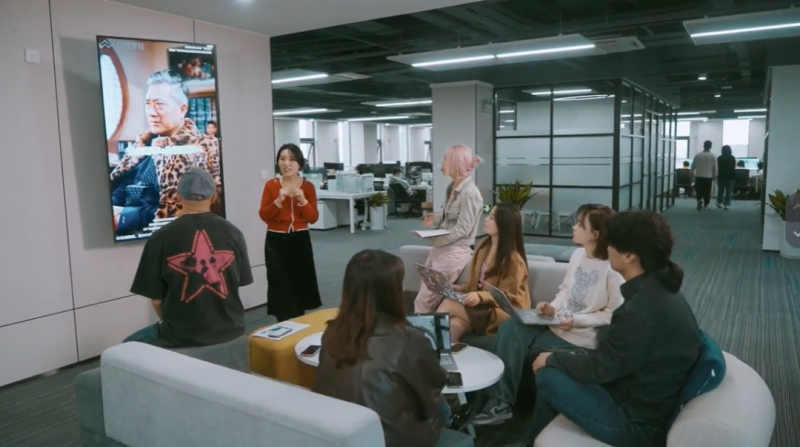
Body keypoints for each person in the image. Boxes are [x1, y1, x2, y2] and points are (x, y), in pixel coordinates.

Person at [528, 210, 702, 447]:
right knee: (560, 368)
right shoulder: (661, 289)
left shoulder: (638, 311)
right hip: (633, 390)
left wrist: (551, 358)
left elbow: (600, 369)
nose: (607, 249)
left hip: (634, 422)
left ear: (629, 255)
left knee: (548, 375)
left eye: (611, 244)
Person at [473, 204, 624, 426]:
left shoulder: (612, 268)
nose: (574, 227)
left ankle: (496, 401)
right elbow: (565, 291)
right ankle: (498, 402)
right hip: (556, 323)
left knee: (518, 346)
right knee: (512, 326)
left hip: (579, 337)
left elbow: (614, 314)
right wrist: (552, 308)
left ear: (596, 234)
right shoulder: (578, 254)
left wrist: (577, 320)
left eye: (580, 224)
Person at [313, 250, 463, 447]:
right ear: (390, 291)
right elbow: (433, 388)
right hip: (391, 440)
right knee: (442, 404)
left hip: (336, 433)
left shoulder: (332, 332)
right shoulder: (409, 339)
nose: (404, 288)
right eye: (400, 282)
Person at [124, 168, 253, 348]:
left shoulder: (160, 238)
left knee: (127, 345)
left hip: (181, 336)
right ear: (214, 197)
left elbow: (157, 301)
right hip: (231, 330)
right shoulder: (234, 233)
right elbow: (238, 282)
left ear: (177, 197)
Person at [110, 68, 221, 236]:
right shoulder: (142, 146)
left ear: (182, 109)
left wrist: (126, 216)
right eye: (148, 104)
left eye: (159, 104)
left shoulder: (203, 148)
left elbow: (189, 211)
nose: (151, 112)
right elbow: (120, 188)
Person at [437, 204, 530, 342]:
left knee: (449, 304)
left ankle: (424, 341)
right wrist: (460, 288)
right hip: (481, 306)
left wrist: (480, 296)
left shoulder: (513, 260)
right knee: (454, 326)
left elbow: (507, 297)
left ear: (503, 224)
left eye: (491, 218)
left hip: (503, 311)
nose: (486, 219)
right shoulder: (483, 247)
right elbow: (476, 282)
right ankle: (442, 354)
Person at [414, 145, 484, 313]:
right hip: (440, 249)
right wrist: (436, 219)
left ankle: (421, 329)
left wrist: (435, 239)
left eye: (445, 159)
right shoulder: (452, 188)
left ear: (455, 162)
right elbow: (451, 219)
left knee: (425, 300)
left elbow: (463, 229)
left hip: (453, 251)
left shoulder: (470, 192)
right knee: (425, 297)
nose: (442, 163)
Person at [259, 143, 322, 322]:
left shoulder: (308, 187)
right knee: (279, 283)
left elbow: (313, 218)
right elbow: (264, 215)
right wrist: (278, 201)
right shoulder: (271, 185)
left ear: (299, 164)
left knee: (300, 283)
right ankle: (282, 323)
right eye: (282, 159)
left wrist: (303, 200)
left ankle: (299, 322)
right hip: (276, 240)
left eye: (292, 160)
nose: (286, 163)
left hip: (300, 239)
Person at [691, 140, 716, 211]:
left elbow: (693, 166)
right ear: (710, 147)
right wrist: (714, 176)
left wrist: (692, 175)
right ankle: (706, 204)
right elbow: (714, 168)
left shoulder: (697, 155)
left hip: (698, 176)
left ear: (703, 146)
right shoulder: (713, 156)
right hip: (708, 177)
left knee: (699, 190)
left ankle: (699, 200)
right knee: (707, 191)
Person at [716, 145, 736, 210]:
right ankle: (727, 204)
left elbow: (718, 167)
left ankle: (719, 202)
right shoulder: (732, 158)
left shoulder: (719, 158)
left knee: (720, 190)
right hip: (731, 176)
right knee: (729, 191)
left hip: (721, 176)